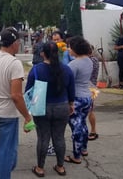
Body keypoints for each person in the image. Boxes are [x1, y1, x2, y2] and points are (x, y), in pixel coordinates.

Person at [0, 27, 33, 179]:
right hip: (7, 114)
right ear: (15, 43)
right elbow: (16, 95)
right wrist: (28, 117)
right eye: (19, 41)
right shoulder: (14, 63)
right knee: (6, 152)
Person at [25, 42, 75, 177]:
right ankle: (60, 166)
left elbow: (28, 90)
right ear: (58, 53)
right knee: (59, 137)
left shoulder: (36, 70)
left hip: (42, 108)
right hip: (62, 107)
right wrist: (71, 104)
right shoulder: (67, 69)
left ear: (42, 53)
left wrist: (28, 111)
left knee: (43, 138)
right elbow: (71, 90)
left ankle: (40, 168)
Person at [65, 36, 93, 164]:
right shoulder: (89, 61)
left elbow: (68, 84)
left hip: (76, 98)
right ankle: (84, 149)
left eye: (70, 47)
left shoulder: (73, 65)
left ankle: (76, 156)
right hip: (87, 97)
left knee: (76, 127)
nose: (68, 49)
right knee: (83, 124)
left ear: (76, 48)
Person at [88, 45, 100, 141]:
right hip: (89, 87)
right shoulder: (90, 60)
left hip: (90, 88)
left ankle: (93, 131)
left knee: (90, 110)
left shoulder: (92, 60)